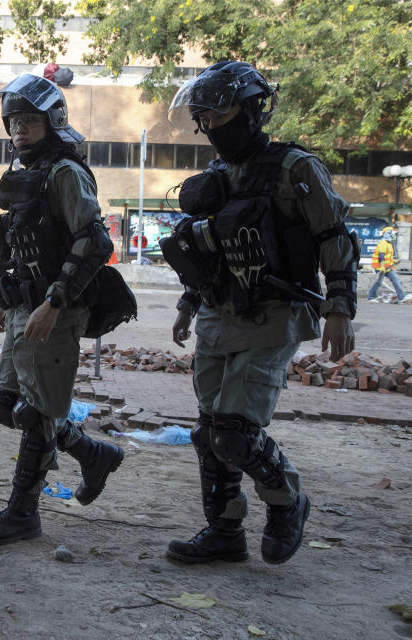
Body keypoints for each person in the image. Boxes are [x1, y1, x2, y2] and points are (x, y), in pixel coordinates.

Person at [163, 61, 358, 565]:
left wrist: (340, 307)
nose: (212, 124)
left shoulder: (296, 167)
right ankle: (224, 531)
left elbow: (333, 236)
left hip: (274, 312)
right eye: (203, 115)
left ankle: (288, 500)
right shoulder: (215, 177)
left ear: (252, 109)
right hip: (217, 312)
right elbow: (208, 249)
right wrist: (189, 304)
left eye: (221, 111)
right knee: (209, 432)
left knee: (233, 430)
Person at [0, 74, 123, 547]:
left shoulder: (65, 172)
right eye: (14, 121)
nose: (20, 129)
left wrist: (54, 303)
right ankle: (92, 453)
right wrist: (8, 298)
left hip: (56, 310)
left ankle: (23, 514)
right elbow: (21, 243)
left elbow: (94, 241)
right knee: (6, 407)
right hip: (24, 308)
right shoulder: (21, 175)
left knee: (36, 413)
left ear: (52, 122)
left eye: (30, 121)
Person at [368, 226, 410, 303]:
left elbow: (387, 257)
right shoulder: (383, 243)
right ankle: (371, 297)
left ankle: (401, 297)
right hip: (380, 267)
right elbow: (381, 256)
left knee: (396, 280)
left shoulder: (388, 244)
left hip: (388, 268)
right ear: (388, 234)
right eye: (393, 234)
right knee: (378, 283)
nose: (394, 236)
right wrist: (383, 266)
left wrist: (394, 261)